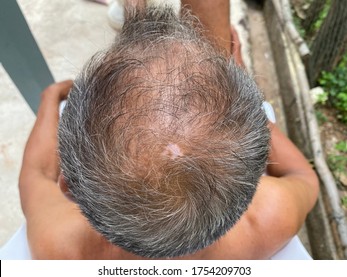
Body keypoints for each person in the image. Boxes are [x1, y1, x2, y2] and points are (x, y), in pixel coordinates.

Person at [18, 2, 319, 259]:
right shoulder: (266, 220)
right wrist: (249, 94)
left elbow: (35, 172)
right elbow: (304, 177)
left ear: (69, 187)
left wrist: (50, 98)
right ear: (254, 181)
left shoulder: (58, 245)